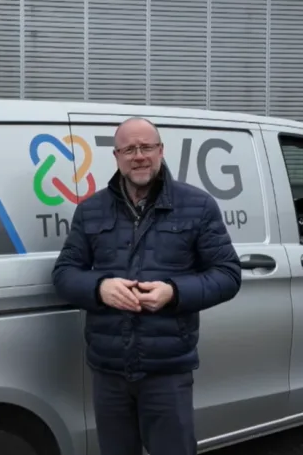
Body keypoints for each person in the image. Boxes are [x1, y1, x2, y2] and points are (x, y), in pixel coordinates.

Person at [51, 116, 243, 455]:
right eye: (129, 149)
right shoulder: (91, 210)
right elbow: (65, 273)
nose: (138, 156)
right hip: (108, 370)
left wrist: (174, 292)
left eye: (146, 147)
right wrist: (100, 288)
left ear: (160, 151)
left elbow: (228, 274)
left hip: (167, 371)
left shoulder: (197, 206)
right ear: (117, 156)